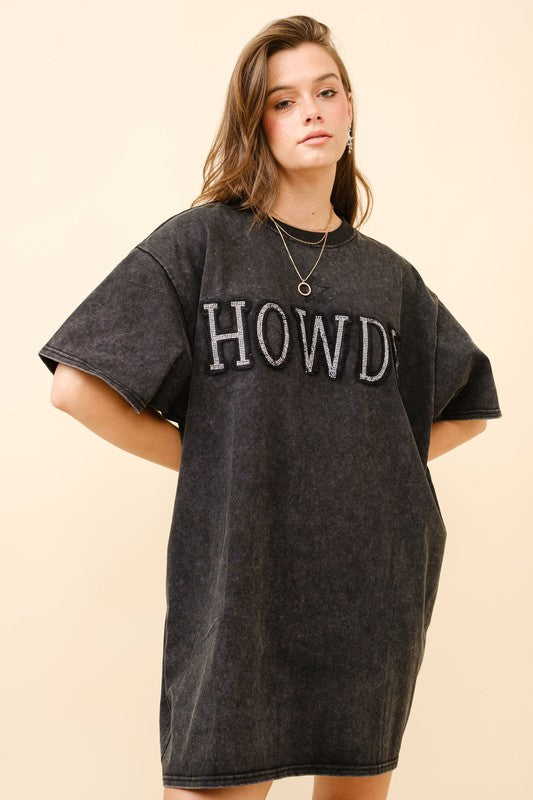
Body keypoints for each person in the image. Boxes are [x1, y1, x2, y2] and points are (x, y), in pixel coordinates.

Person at [37, 14, 503, 800]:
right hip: (240, 579)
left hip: (370, 577)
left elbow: (468, 404)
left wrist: (360, 464)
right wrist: (211, 458)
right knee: (214, 780)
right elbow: (75, 387)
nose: (309, 111)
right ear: (256, 123)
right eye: (282, 101)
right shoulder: (201, 244)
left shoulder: (388, 279)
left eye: (325, 92)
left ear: (350, 110)